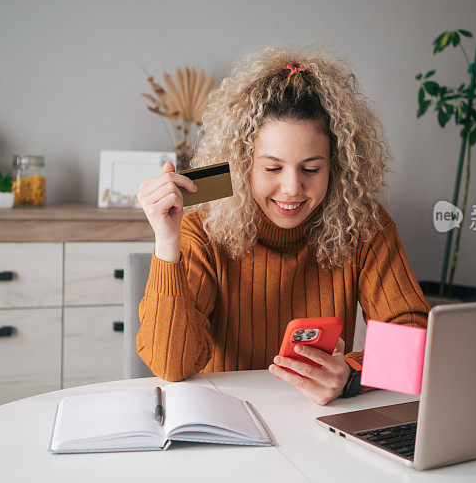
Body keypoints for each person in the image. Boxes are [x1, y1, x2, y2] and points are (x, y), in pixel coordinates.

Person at [136, 46, 430, 405]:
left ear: (336, 166)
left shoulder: (364, 226)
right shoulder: (202, 229)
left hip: (320, 426)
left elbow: (413, 342)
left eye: (311, 169)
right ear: (243, 164)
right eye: (272, 168)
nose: (292, 188)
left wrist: (350, 375)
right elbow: (170, 365)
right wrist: (167, 242)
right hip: (224, 423)